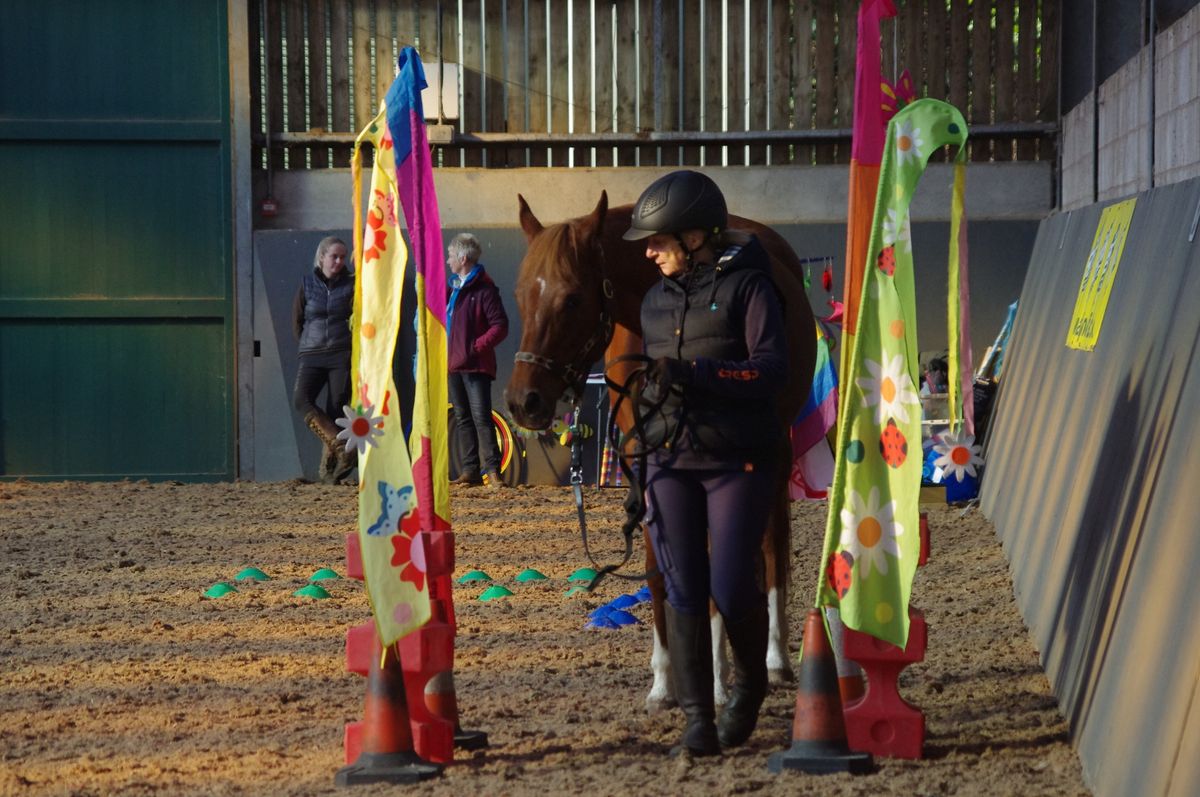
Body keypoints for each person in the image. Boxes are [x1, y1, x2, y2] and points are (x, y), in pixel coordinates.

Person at [623, 170, 789, 756]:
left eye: (659, 240)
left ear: (696, 236)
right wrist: (639, 459)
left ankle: (749, 684)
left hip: (736, 457)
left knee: (729, 582)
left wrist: (698, 373)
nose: (649, 251)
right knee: (680, 587)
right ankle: (697, 718)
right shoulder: (653, 302)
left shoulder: (750, 290)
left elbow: (770, 369)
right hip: (670, 458)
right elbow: (651, 390)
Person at [447, 233, 510, 488]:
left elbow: (500, 326)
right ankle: (470, 469)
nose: (448, 261)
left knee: (481, 417)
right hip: (453, 364)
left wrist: (475, 348)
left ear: (463, 258)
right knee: (462, 417)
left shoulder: (485, 290)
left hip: (475, 365)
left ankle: (492, 470)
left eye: (451, 256)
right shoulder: (452, 289)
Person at [292, 235, 355, 485]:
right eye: (334, 256)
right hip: (312, 354)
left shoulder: (352, 284)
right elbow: (297, 320)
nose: (339, 261)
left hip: (341, 353)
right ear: (322, 258)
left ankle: (329, 473)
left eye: (342, 257)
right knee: (301, 400)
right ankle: (342, 448)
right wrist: (307, 342)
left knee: (335, 408)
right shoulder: (307, 284)